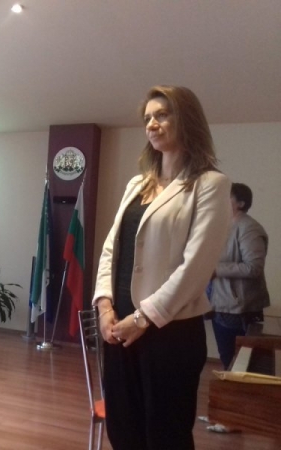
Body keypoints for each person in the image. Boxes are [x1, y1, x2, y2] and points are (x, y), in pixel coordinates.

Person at [92, 85, 231, 450]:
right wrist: (104, 306)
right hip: (119, 330)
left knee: (166, 437)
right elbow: (111, 249)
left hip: (169, 334)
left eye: (162, 115)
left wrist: (142, 319)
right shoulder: (137, 184)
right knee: (123, 431)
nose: (152, 124)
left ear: (187, 120)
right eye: (147, 118)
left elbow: (195, 269)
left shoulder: (210, 185)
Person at [210, 183, 269, 370]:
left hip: (239, 309)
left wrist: (215, 270)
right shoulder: (223, 227)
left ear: (241, 203)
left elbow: (253, 267)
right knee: (227, 357)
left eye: (226, 197)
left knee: (239, 362)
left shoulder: (249, 228)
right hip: (220, 304)